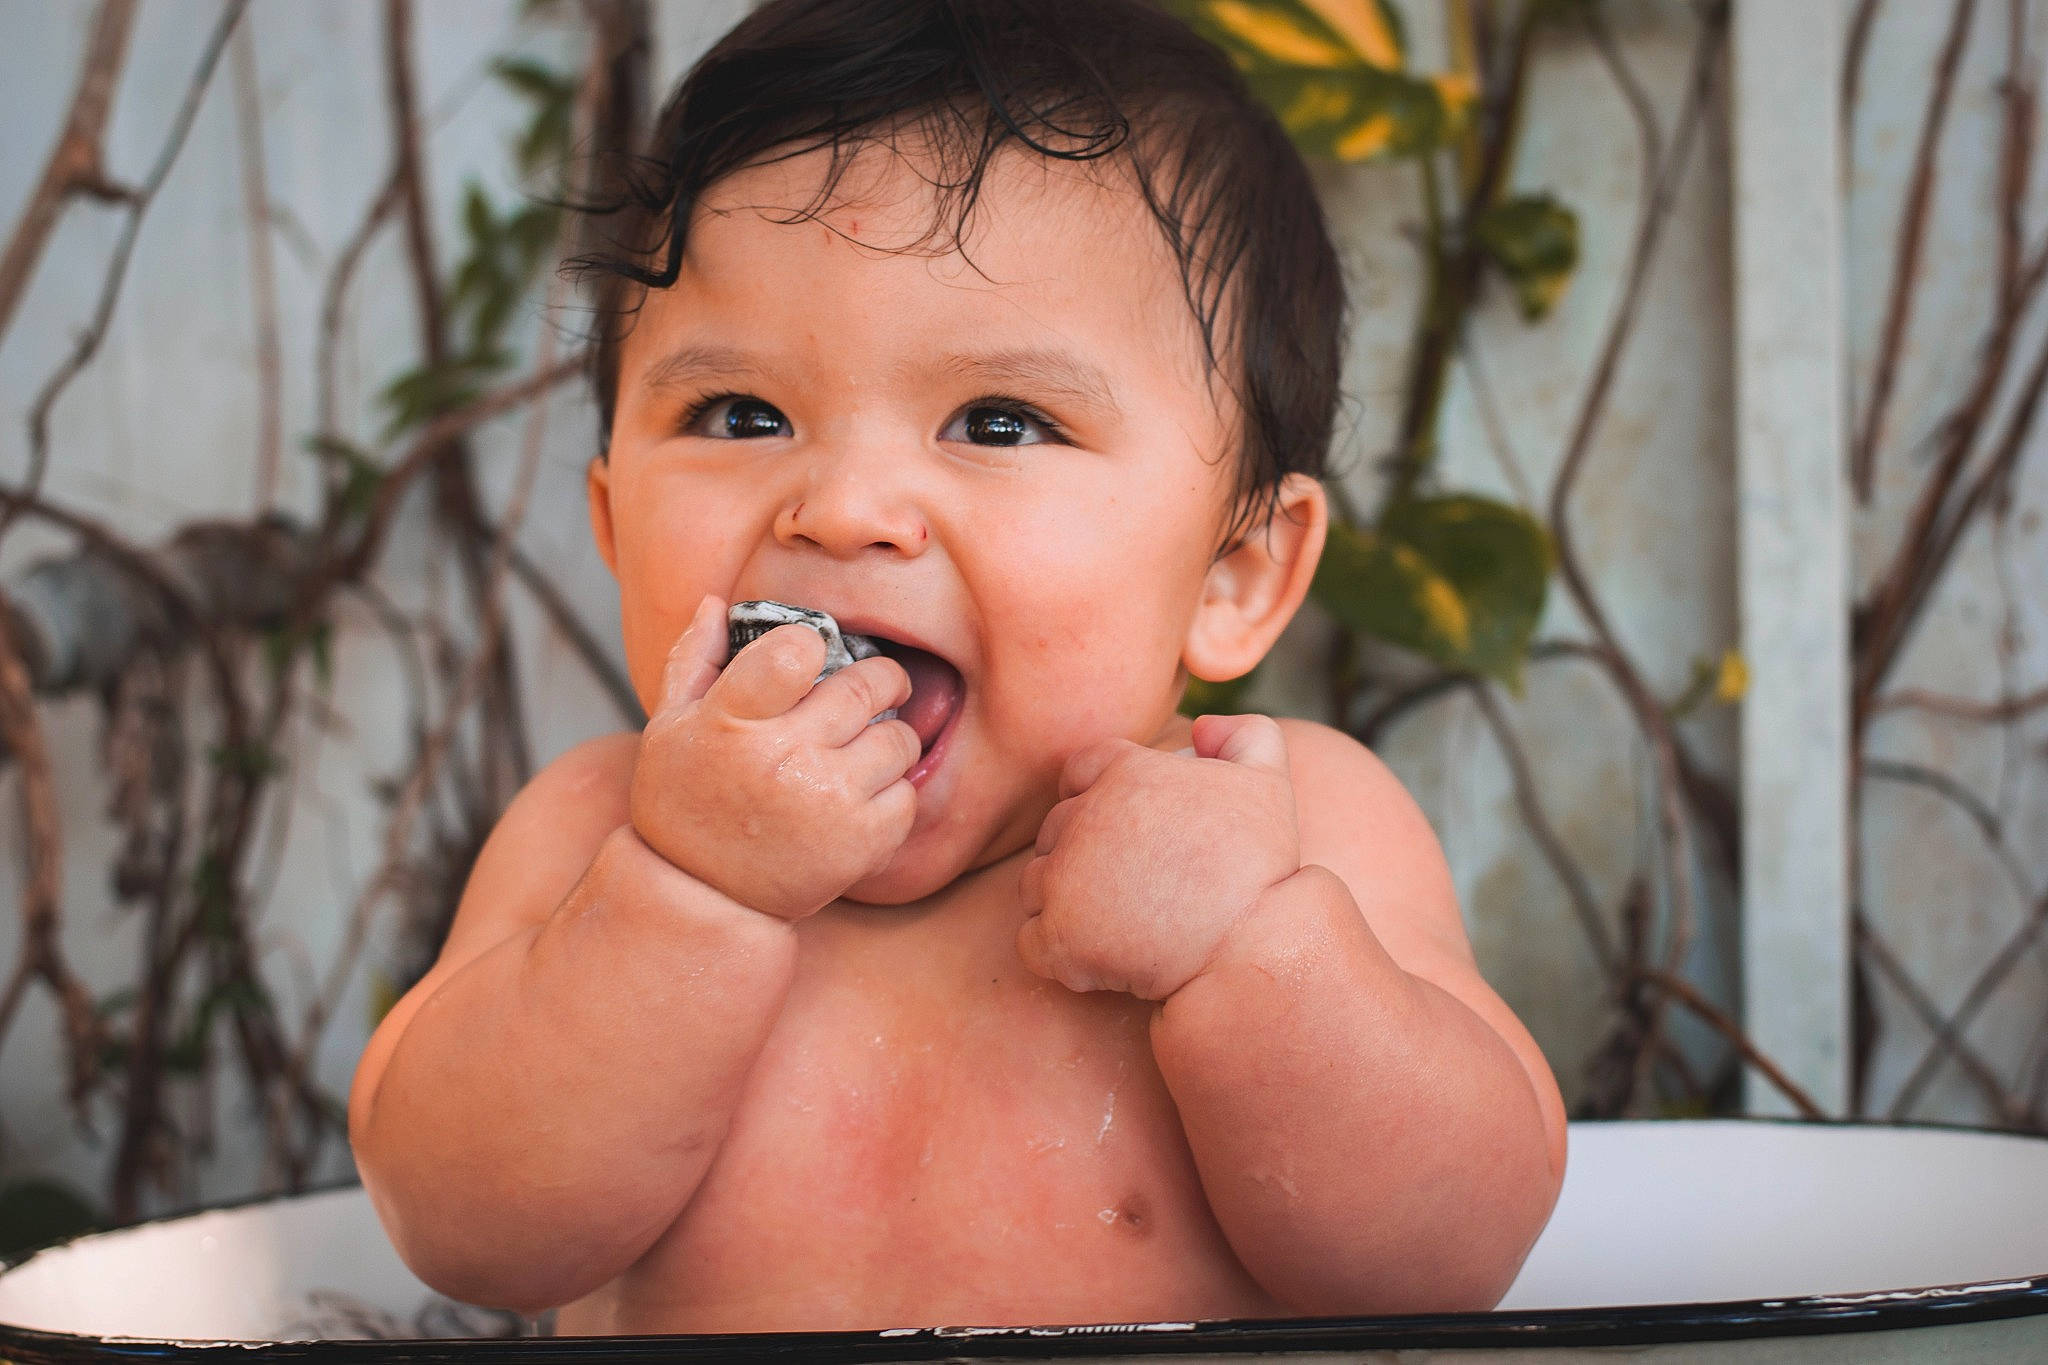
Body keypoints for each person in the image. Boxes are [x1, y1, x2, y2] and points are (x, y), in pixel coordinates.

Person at [347, 0, 1566, 1335]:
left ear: (1235, 574)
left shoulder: (1293, 824)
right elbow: (462, 1227)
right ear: (612, 524)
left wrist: (1251, 951)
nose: (845, 505)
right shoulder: (595, 834)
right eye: (739, 414)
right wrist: (682, 898)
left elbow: (1454, 1253)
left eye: (1000, 419)